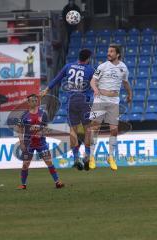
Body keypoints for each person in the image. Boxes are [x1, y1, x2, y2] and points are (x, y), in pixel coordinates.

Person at [41, 48, 94, 171]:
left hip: (72, 101)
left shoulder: (68, 66)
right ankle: (87, 156)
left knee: (73, 130)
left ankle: (76, 158)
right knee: (88, 130)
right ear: (87, 59)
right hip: (84, 101)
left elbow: (57, 79)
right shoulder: (90, 69)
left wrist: (46, 90)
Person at [85, 43, 132, 171]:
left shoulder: (123, 68)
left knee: (114, 130)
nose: (108, 53)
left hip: (114, 101)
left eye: (111, 51)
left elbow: (126, 82)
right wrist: (95, 89)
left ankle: (110, 157)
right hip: (100, 99)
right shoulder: (102, 66)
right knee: (95, 128)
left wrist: (130, 94)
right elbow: (93, 81)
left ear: (117, 54)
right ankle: (92, 157)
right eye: (108, 51)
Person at [17, 94, 64, 189]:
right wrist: (21, 142)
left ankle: (57, 182)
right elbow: (20, 129)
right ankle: (23, 185)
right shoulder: (23, 115)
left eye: (35, 100)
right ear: (28, 102)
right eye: (32, 100)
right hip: (28, 144)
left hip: (41, 143)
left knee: (49, 162)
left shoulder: (43, 114)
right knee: (25, 164)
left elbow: (46, 127)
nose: (34, 102)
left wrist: (41, 132)